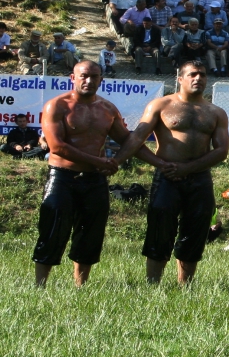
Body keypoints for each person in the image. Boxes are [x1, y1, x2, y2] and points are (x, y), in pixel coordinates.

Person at [33, 61, 164, 287]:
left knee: (90, 234)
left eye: (94, 77)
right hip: (63, 176)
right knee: (53, 229)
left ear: (101, 80)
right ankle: (40, 285)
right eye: (84, 76)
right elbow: (57, 147)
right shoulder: (57, 106)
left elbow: (129, 141)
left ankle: (80, 285)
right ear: (72, 78)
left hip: (95, 181)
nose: (89, 81)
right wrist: (100, 162)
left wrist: (159, 162)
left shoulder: (107, 109)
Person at [113, 60, 229, 285]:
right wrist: (118, 161)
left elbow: (222, 151)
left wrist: (188, 168)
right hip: (167, 176)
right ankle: (152, 283)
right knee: (160, 228)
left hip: (199, 177)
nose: (198, 79)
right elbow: (136, 138)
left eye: (203, 75)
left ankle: (185, 285)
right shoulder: (161, 105)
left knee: (195, 229)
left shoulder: (215, 112)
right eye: (193, 74)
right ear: (181, 79)